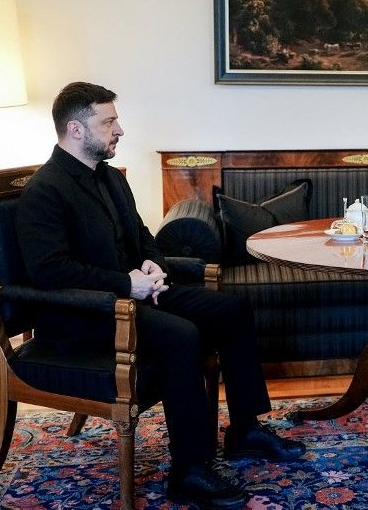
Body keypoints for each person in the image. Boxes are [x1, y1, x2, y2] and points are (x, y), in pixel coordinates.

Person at [16, 82, 305, 509]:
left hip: (135, 296)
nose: (120, 130)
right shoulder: (45, 190)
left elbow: (142, 235)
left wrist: (154, 265)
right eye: (109, 121)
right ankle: (189, 471)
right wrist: (124, 285)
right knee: (182, 335)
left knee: (233, 309)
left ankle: (244, 429)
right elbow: (48, 271)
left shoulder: (112, 179)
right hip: (87, 316)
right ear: (75, 130)